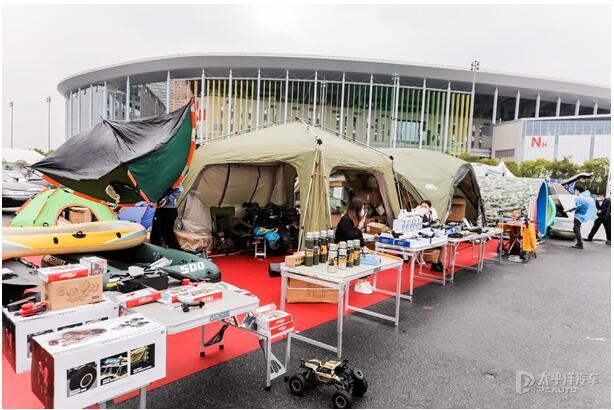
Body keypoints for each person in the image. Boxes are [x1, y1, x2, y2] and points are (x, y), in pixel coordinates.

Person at [335, 197, 371, 294]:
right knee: (362, 259)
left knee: (368, 255)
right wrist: (360, 226)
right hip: (342, 249)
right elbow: (351, 236)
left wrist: (364, 246)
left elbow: (359, 235)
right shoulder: (346, 220)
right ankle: (359, 284)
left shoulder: (355, 219)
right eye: (362, 208)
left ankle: (364, 281)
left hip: (350, 248)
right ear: (356, 209)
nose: (363, 211)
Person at [414, 200, 444, 272]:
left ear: (429, 208)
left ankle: (439, 262)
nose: (423, 208)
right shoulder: (418, 215)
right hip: (421, 235)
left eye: (425, 206)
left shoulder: (431, 214)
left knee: (443, 244)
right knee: (438, 244)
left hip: (428, 233)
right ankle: (434, 264)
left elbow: (434, 223)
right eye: (422, 206)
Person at [151, 184, 183, 250]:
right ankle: (176, 250)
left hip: (167, 210)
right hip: (164, 209)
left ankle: (177, 252)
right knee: (165, 233)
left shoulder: (171, 177)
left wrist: (168, 199)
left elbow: (180, 189)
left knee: (160, 233)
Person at [567, 185, 597, 249]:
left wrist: (570, 210)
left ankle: (580, 243)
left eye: (575, 191)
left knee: (576, 229)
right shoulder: (586, 197)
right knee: (576, 229)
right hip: (582, 215)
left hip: (578, 216)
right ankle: (579, 243)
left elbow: (578, 206)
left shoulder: (579, 198)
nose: (575, 192)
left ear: (578, 190)